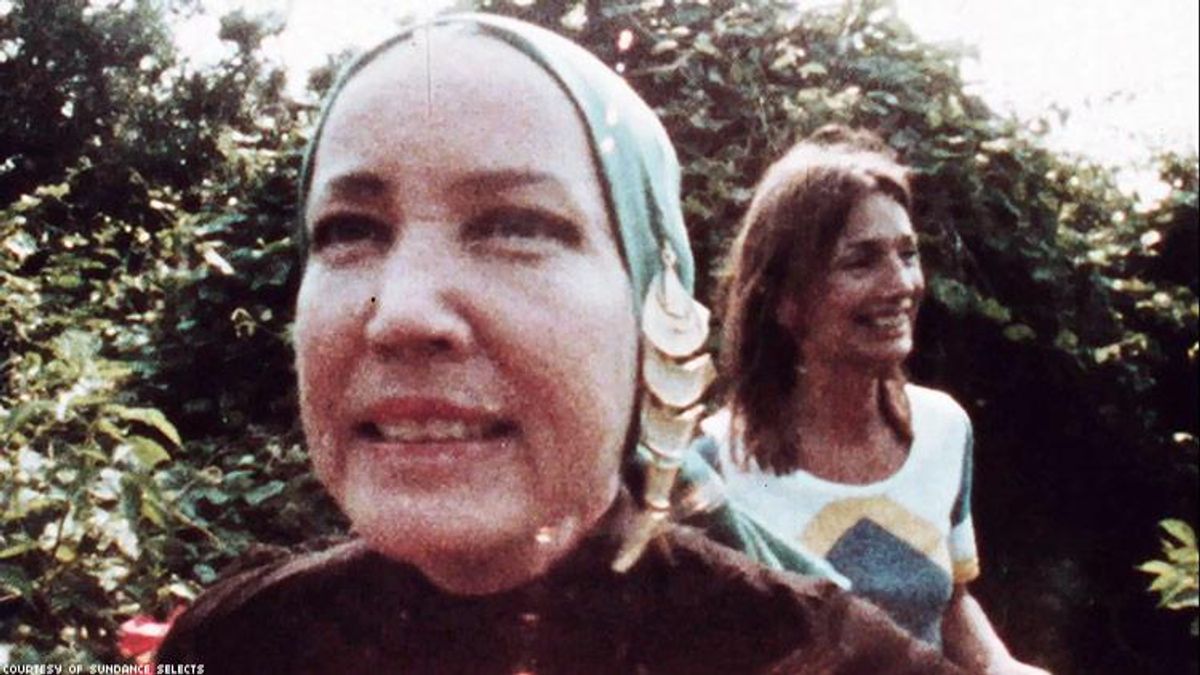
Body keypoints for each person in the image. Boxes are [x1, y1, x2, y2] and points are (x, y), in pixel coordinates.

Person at [154, 16, 963, 674]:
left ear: (653, 309)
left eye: (516, 225)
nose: (400, 313)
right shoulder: (229, 648)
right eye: (348, 230)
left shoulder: (828, 660)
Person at [679, 126, 1049, 674]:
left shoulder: (945, 431)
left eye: (908, 254)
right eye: (861, 261)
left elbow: (950, 603)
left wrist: (1003, 667)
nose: (902, 284)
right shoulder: (714, 469)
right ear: (785, 301)